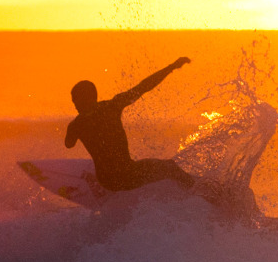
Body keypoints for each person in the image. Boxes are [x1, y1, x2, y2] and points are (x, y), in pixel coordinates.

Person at [64, 56, 198, 192]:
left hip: (106, 181)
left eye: (76, 100)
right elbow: (143, 87)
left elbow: (69, 144)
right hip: (127, 177)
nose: (74, 104)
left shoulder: (75, 125)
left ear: (89, 98)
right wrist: (172, 67)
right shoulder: (112, 107)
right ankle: (197, 191)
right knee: (169, 166)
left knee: (136, 168)